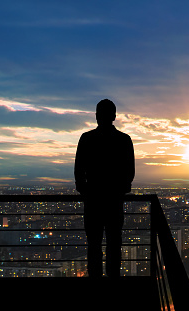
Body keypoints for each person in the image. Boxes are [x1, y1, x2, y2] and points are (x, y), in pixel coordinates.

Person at [74, 99, 135, 278]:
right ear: (114, 116)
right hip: (114, 201)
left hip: (93, 201)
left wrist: (85, 191)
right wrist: (119, 190)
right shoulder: (124, 140)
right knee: (114, 244)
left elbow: (79, 170)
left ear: (96, 116)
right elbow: (129, 172)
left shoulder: (87, 139)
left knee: (94, 245)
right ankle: (112, 280)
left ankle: (96, 281)